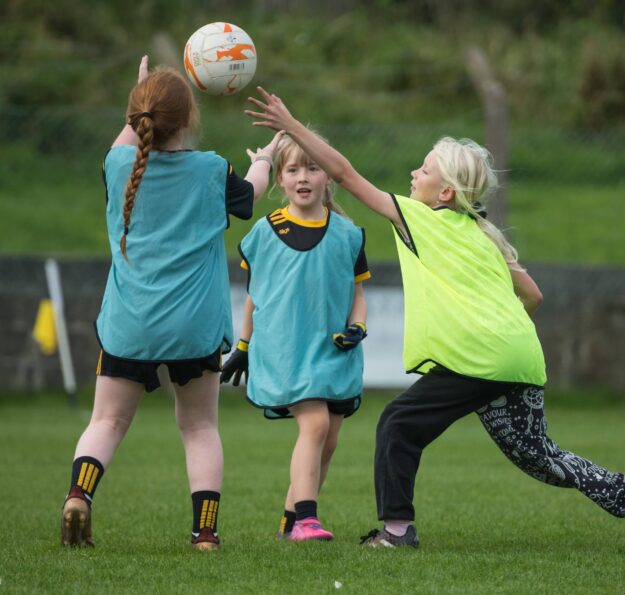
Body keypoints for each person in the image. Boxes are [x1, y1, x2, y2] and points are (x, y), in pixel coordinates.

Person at [244, 87, 625, 549]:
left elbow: (343, 173)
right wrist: (500, 336)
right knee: (541, 457)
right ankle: (619, 491)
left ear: (444, 192)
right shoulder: (482, 232)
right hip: (522, 357)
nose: (413, 173)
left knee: (398, 424)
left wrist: (291, 124)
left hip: (481, 358)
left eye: (423, 170)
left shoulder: (418, 219)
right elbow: (533, 295)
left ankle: (396, 531)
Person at [59, 57, 283, 551]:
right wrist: (265, 158)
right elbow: (251, 195)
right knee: (199, 427)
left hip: (130, 322)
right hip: (193, 326)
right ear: (188, 120)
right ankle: (205, 532)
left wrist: (141, 97)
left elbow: (126, 141)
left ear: (138, 117)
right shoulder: (211, 169)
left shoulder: (117, 165)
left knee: (107, 421)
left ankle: (79, 495)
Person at [220, 132, 371, 541]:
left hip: (333, 352)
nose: (303, 177)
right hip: (286, 350)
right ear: (280, 180)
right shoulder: (264, 233)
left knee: (329, 439)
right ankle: (307, 519)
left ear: (329, 177)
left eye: (313, 168)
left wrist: (357, 327)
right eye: (292, 169)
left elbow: (357, 296)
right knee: (315, 423)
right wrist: (244, 346)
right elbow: (256, 296)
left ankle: (290, 522)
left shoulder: (348, 235)